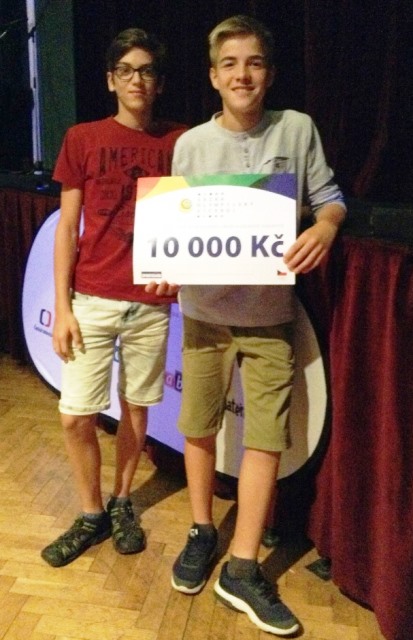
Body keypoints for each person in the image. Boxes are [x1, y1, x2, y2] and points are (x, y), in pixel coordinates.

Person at [147, 14, 346, 637]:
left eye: (253, 62)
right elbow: (175, 229)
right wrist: (165, 268)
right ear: (213, 76)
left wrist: (326, 225)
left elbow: (330, 197)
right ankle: (201, 529)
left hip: (269, 318)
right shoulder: (189, 145)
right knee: (197, 426)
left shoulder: (297, 128)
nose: (242, 74)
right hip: (204, 315)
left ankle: (241, 565)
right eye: (229, 64)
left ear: (270, 72)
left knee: (265, 436)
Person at [40, 28, 186, 568]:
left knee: (136, 407)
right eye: (126, 70)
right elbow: (67, 226)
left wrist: (179, 272)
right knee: (75, 415)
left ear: (159, 82)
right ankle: (90, 512)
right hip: (92, 297)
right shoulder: (82, 138)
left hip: (149, 302)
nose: (136, 79)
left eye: (146, 70)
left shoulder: (180, 142)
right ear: (110, 80)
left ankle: (122, 500)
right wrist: (62, 306)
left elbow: (191, 222)